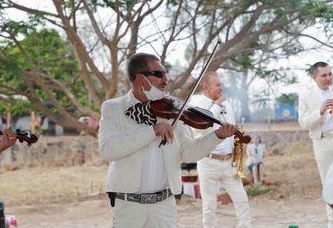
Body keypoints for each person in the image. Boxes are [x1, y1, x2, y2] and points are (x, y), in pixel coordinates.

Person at [98, 53, 237, 228]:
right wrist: (152, 131)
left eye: (166, 73)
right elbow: (107, 150)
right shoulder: (113, 108)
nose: (166, 79)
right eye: (159, 74)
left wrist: (216, 136)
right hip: (128, 206)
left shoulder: (172, 109)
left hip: (164, 205)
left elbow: (189, 153)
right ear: (141, 78)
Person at [189, 71, 252, 228]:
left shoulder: (226, 104)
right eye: (217, 85)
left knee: (241, 198)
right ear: (205, 87)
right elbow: (201, 130)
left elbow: (230, 129)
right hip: (208, 162)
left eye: (221, 84)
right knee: (209, 205)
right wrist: (217, 105)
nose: (221, 88)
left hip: (228, 162)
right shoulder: (197, 104)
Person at [298, 61, 333, 228]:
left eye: (330, 74)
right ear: (314, 77)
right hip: (321, 143)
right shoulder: (305, 96)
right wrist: (319, 112)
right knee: (329, 187)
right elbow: (303, 123)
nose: (328, 78)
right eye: (324, 75)